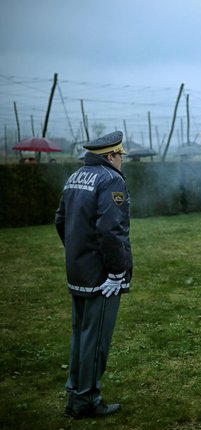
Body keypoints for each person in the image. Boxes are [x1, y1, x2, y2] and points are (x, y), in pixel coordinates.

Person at [55, 131, 132, 419]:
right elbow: (111, 229)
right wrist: (115, 272)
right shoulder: (111, 179)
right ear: (110, 155)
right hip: (101, 275)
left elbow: (60, 219)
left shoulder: (75, 176)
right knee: (96, 340)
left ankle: (75, 393)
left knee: (80, 335)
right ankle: (87, 400)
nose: (122, 159)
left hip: (79, 269)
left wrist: (77, 250)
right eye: (120, 154)